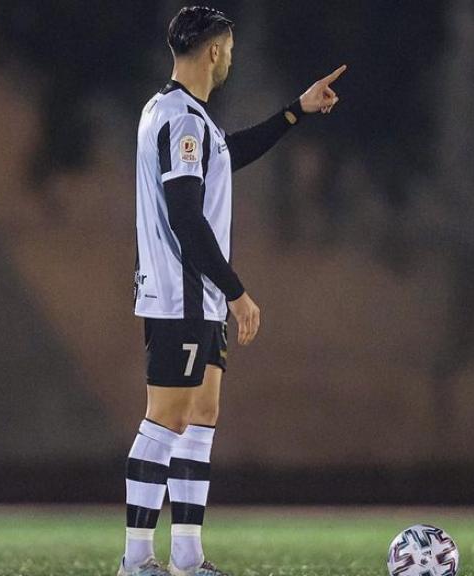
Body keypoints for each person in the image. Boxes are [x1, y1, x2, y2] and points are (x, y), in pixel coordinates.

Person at [124, 7, 346, 576]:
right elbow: (185, 219)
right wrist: (237, 292)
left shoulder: (175, 113)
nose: (232, 57)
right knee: (165, 420)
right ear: (215, 52)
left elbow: (229, 155)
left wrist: (296, 111)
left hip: (195, 296)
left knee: (201, 415)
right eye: (230, 48)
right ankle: (136, 563)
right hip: (184, 296)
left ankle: (188, 560)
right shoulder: (181, 118)